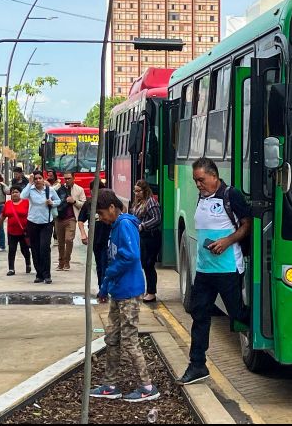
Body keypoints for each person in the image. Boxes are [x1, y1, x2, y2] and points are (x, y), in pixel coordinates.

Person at [176, 158, 251, 386]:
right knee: (199, 316)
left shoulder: (231, 195)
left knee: (237, 314)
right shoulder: (202, 196)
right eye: (195, 181)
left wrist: (227, 241)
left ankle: (265, 331)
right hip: (204, 270)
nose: (198, 184)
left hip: (228, 269)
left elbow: (248, 224)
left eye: (201, 180)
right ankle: (197, 365)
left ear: (214, 176)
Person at [89, 189, 160, 402]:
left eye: (101, 213)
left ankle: (147, 387)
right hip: (118, 291)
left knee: (129, 339)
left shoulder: (125, 225)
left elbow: (130, 255)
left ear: (112, 208)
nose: (101, 218)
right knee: (112, 338)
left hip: (129, 292)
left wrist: (109, 275)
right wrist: (105, 287)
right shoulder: (115, 226)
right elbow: (114, 258)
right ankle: (110, 384)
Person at [21, 170, 60, 284]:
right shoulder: (31, 190)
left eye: (40, 178)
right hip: (32, 222)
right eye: (36, 178)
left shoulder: (50, 190)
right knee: (35, 248)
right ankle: (39, 274)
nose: (38, 180)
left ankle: (47, 275)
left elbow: (58, 200)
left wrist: (52, 203)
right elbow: (23, 196)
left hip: (46, 223)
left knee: (44, 248)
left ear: (43, 180)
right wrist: (29, 183)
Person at [128, 180, 161, 303]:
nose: (136, 193)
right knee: (143, 264)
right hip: (141, 237)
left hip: (151, 237)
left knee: (149, 264)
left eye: (138, 191)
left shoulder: (151, 202)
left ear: (145, 191)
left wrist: (143, 226)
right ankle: (146, 290)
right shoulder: (138, 203)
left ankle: (151, 292)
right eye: (135, 191)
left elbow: (157, 219)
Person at [78, 180, 111, 298]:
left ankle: (104, 290)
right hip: (95, 241)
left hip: (108, 240)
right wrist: (83, 234)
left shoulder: (108, 204)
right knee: (99, 266)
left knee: (105, 265)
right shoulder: (89, 204)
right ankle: (101, 288)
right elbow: (81, 220)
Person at [0, 186, 32, 276]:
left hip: (24, 232)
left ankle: (28, 264)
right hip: (12, 232)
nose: (14, 194)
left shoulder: (26, 203)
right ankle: (11, 269)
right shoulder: (8, 204)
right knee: (12, 250)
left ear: (20, 193)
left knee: (25, 250)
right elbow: (2, 216)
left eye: (16, 192)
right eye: (12, 193)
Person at [54, 171, 86, 271]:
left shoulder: (79, 189)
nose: (67, 180)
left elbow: (84, 204)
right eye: (65, 178)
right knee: (60, 242)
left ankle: (67, 261)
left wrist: (74, 201)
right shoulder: (59, 188)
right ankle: (61, 262)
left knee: (69, 239)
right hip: (59, 218)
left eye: (69, 178)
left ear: (73, 178)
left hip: (71, 218)